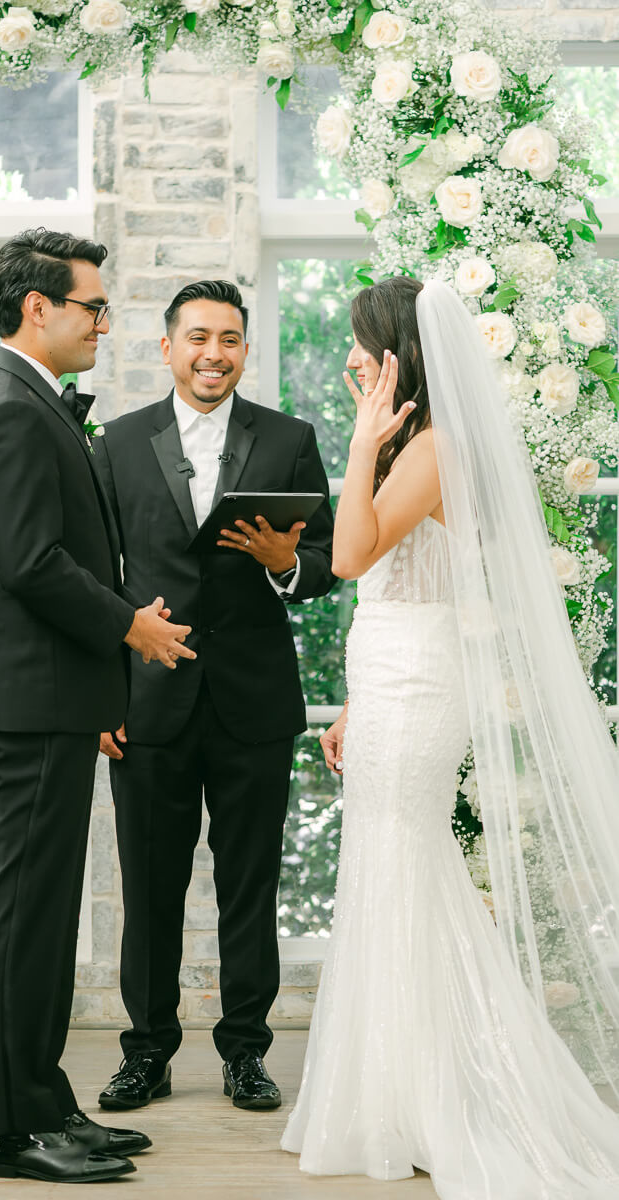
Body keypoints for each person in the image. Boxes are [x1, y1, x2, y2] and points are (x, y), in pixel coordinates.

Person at [281, 276, 619, 1199]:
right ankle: (394, 1091)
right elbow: (397, 581)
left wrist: (361, 446)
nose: (350, 359)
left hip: (421, 684)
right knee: (393, 866)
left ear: (401, 357)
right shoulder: (422, 444)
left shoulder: (430, 448)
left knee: (404, 864)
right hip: (395, 676)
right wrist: (356, 702)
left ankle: (445, 1094)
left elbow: (348, 556)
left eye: (362, 343)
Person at [0, 228, 196, 1184]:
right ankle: (12, 1132)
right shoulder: (8, 409)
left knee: (44, 917)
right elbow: (30, 563)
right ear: (36, 308)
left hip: (47, 695)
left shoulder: (26, 400)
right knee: (23, 919)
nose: (104, 320)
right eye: (92, 305)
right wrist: (132, 627)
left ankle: (45, 1102)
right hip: (25, 698)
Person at [92, 279, 336, 1113]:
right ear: (167, 348)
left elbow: (329, 564)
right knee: (150, 889)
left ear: (244, 350)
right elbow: (93, 583)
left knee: (251, 885)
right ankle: (146, 1051)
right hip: (147, 705)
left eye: (229, 339)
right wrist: (102, 699)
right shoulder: (116, 443)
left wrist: (284, 563)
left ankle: (246, 1053)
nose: (214, 353)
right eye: (198, 337)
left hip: (254, 704)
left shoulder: (290, 439)